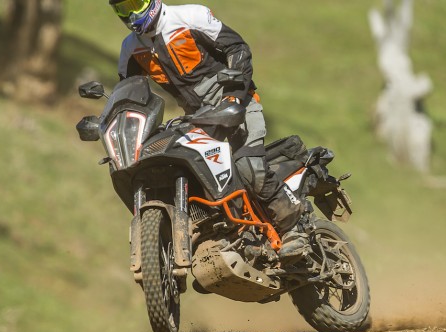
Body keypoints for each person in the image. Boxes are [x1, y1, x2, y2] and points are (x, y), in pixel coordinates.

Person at [109, 0, 309, 259]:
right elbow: (128, 94)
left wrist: (233, 97)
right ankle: (227, 236)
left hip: (236, 102)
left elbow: (237, 48)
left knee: (249, 168)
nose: (131, 13)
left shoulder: (190, 17)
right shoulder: (130, 48)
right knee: (193, 171)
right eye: (123, 8)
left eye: (135, 3)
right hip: (196, 117)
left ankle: (294, 230)